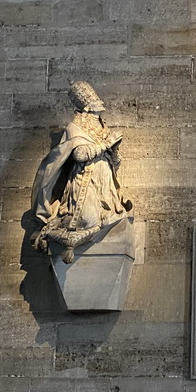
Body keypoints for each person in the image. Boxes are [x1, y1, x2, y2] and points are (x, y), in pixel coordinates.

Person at [31, 82, 133, 263]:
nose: (97, 102)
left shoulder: (102, 128)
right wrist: (106, 143)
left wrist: (114, 151)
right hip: (85, 180)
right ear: (85, 106)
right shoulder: (74, 127)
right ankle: (59, 230)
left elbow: (113, 163)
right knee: (87, 219)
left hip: (105, 182)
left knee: (107, 217)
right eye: (92, 99)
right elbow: (79, 154)